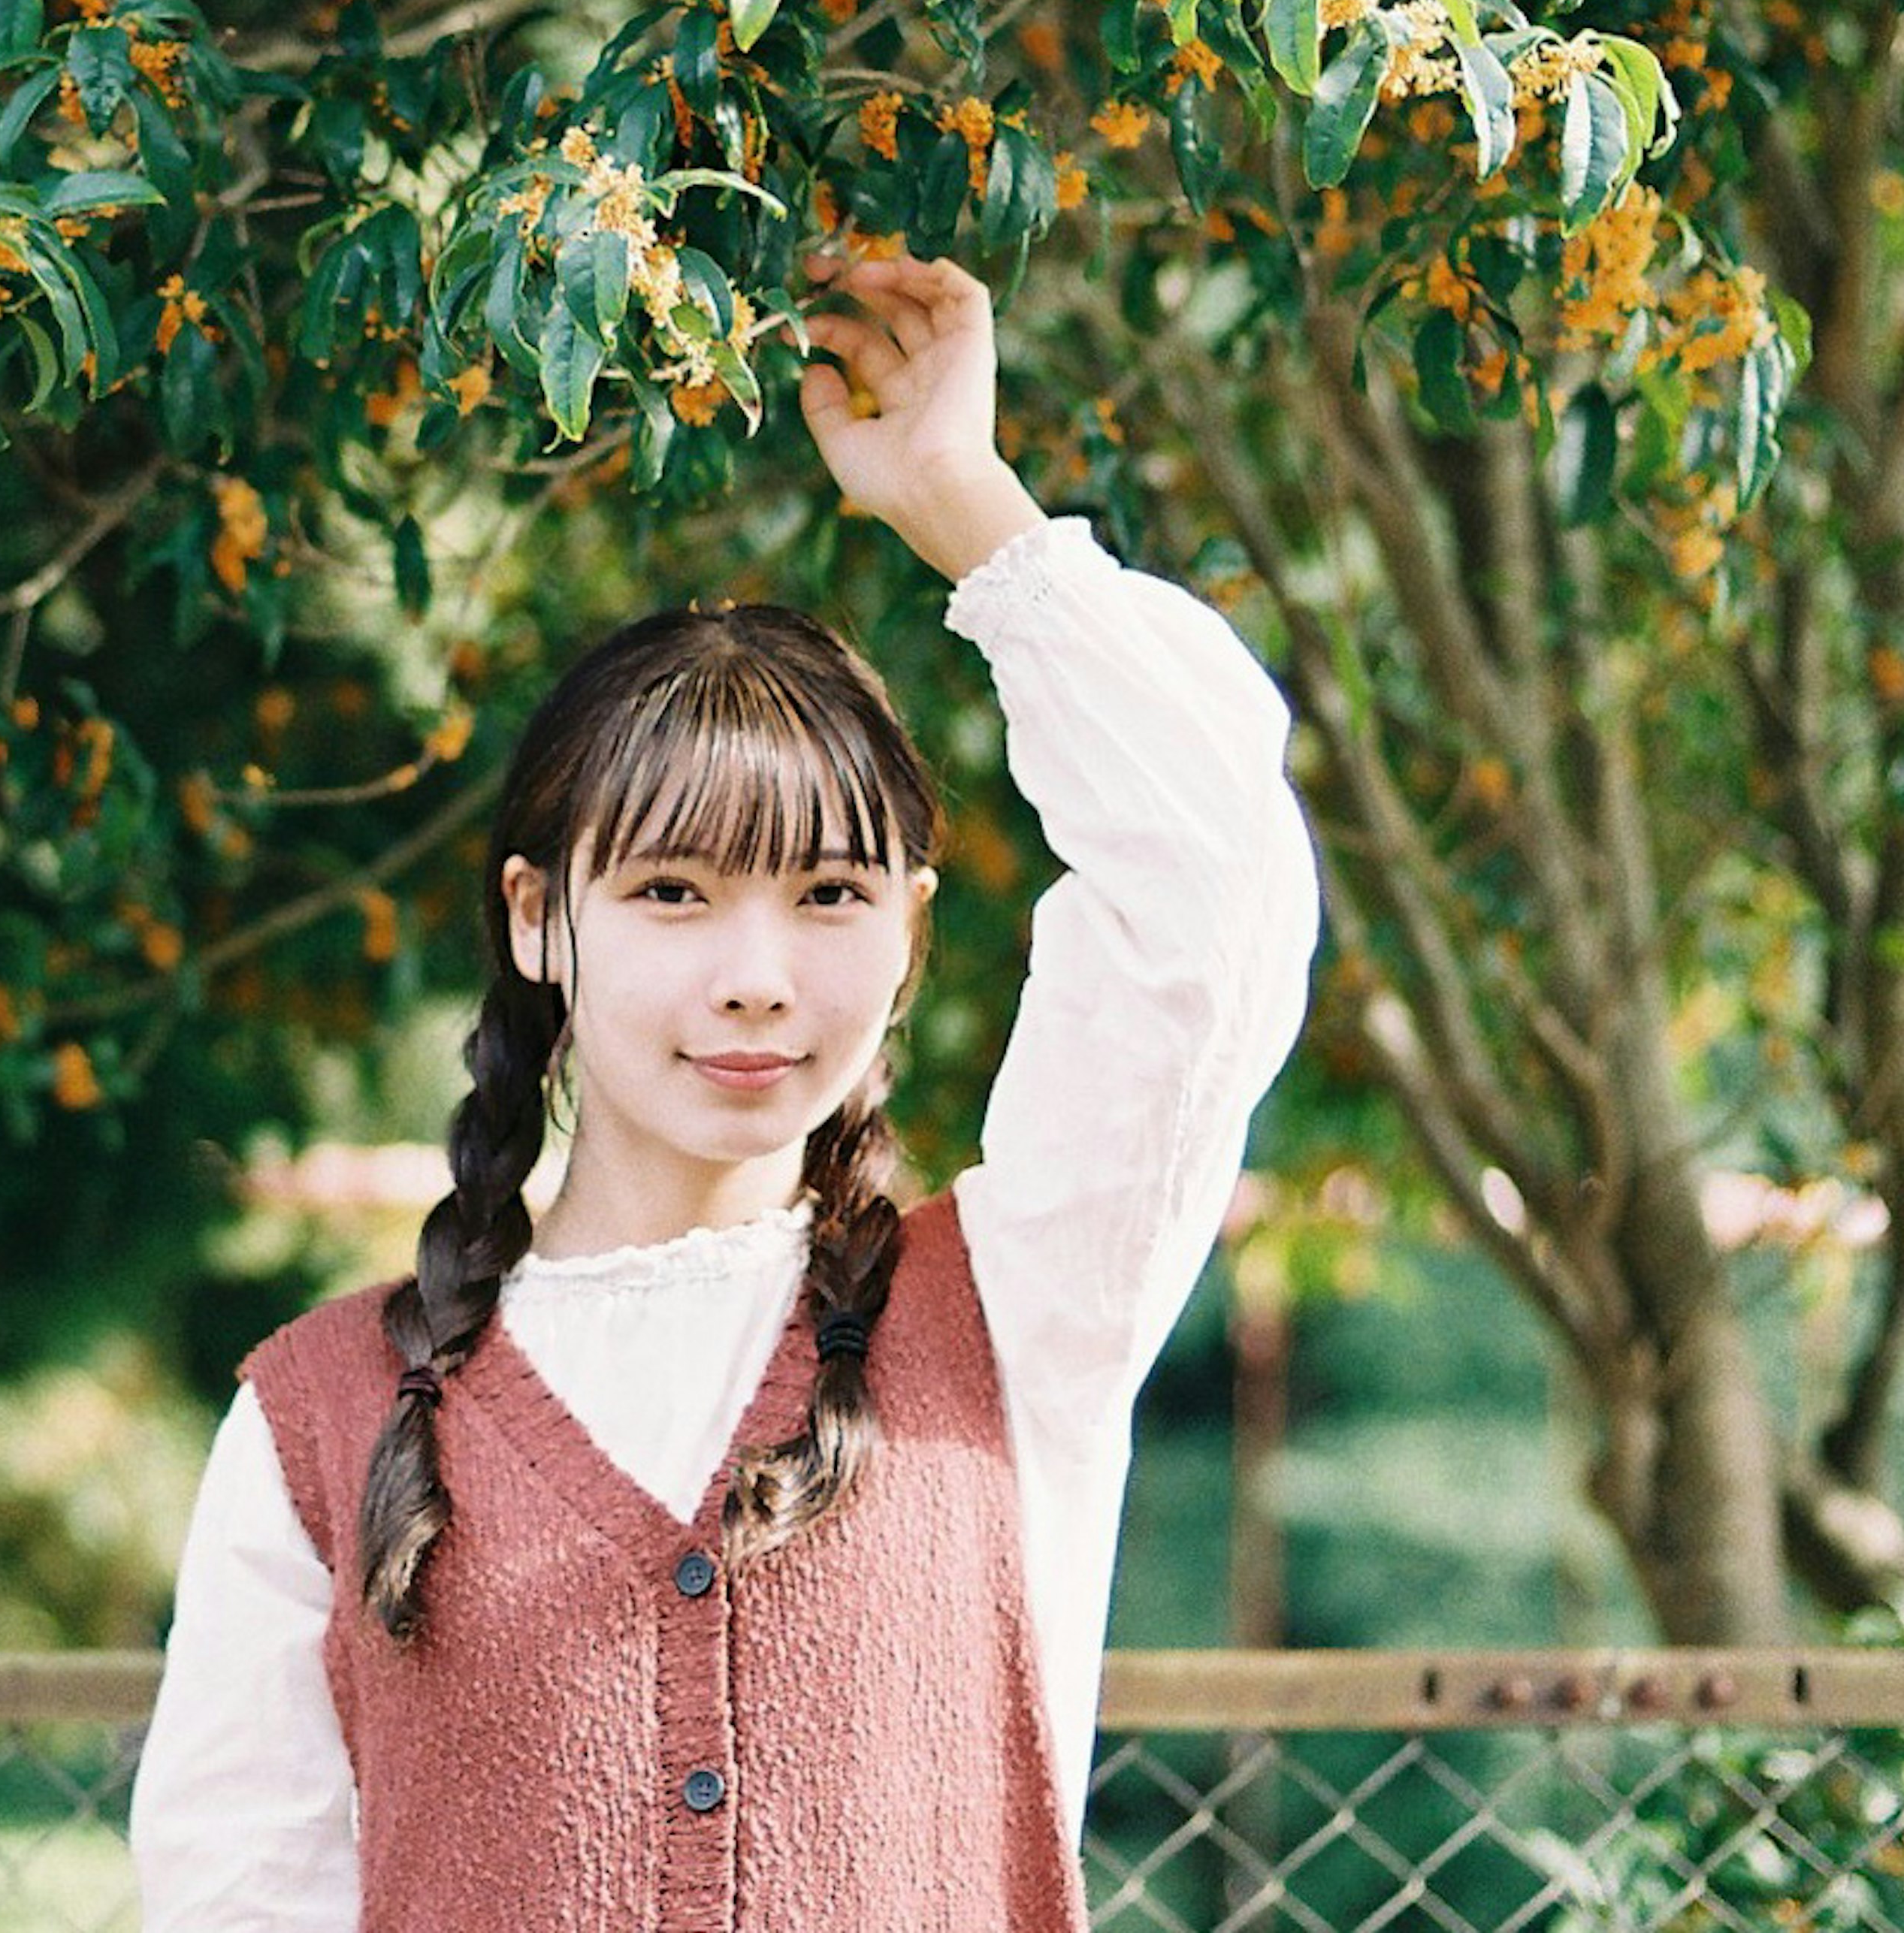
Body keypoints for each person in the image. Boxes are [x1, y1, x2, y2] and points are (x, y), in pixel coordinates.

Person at [128, 252, 1318, 1931]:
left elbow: (1218, 887)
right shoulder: (322, 1417)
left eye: (829, 895)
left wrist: (966, 505)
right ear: (542, 919)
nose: (757, 972)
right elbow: (237, 1896)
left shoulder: (1023, 1309)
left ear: (908, 935)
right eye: (675, 893)